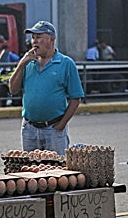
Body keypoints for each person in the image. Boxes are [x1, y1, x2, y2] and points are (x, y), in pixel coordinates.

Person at [8, 20, 85, 155]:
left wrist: (61, 125)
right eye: (33, 38)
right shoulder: (28, 63)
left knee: (57, 171)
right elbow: (12, 89)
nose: (34, 41)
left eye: (39, 37)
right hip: (29, 128)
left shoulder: (66, 63)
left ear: (51, 39)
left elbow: (75, 98)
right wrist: (21, 64)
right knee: (31, 170)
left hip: (53, 128)